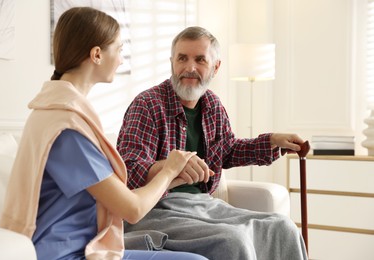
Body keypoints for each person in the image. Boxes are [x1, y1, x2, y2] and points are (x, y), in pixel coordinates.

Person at [0, 8, 208, 260]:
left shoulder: (53, 111)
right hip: (66, 254)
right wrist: (169, 169)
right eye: (119, 49)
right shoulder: (67, 128)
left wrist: (173, 177)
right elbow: (132, 209)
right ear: (97, 54)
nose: (121, 59)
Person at [117, 26, 308, 260]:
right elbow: (128, 170)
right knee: (232, 240)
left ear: (215, 67)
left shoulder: (213, 105)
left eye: (200, 59)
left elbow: (228, 151)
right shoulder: (147, 104)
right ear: (172, 63)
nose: (190, 67)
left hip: (203, 206)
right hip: (156, 210)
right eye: (182, 58)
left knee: (282, 227)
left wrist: (272, 141)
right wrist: (171, 167)